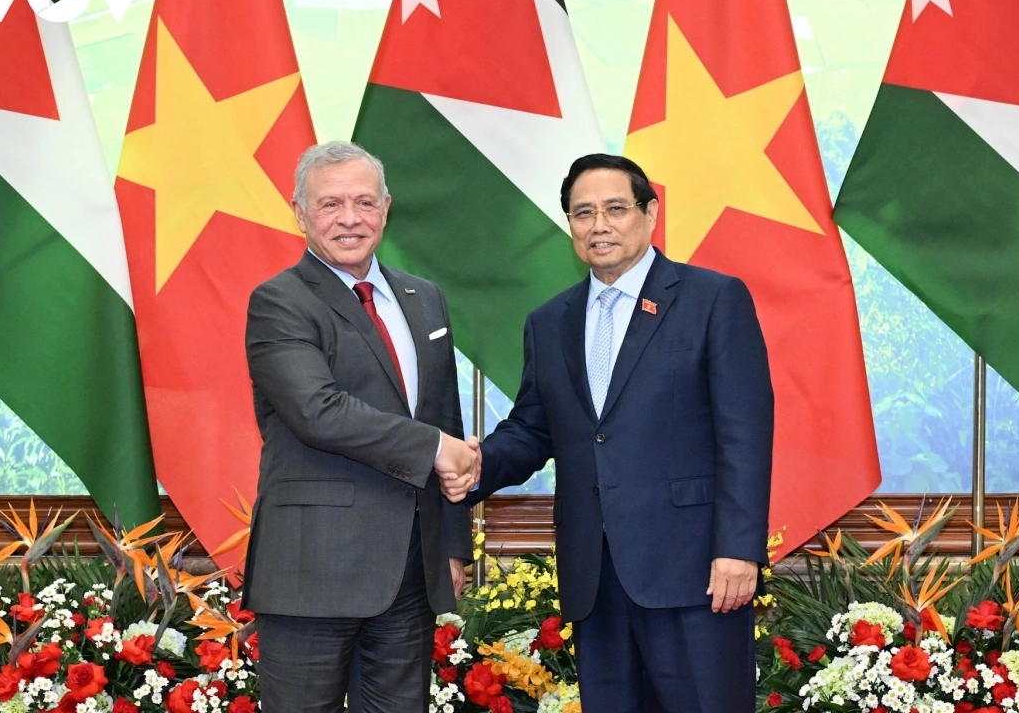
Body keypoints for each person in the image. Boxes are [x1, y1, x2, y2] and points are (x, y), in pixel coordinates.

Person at [453, 153, 774, 712]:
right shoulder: (549, 321)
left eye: (615, 209)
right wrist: (471, 466)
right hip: (594, 579)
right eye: (583, 213)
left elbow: (744, 433)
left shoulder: (712, 299)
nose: (598, 225)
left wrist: (738, 549)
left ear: (651, 213)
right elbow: (532, 428)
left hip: (696, 573)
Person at [242, 141, 479, 713]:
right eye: (330, 204)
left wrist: (451, 547)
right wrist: (435, 447)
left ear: (386, 208)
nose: (350, 218)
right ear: (299, 213)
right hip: (311, 572)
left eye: (364, 202)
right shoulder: (279, 302)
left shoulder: (426, 299)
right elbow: (318, 411)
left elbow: (444, 417)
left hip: (410, 575)